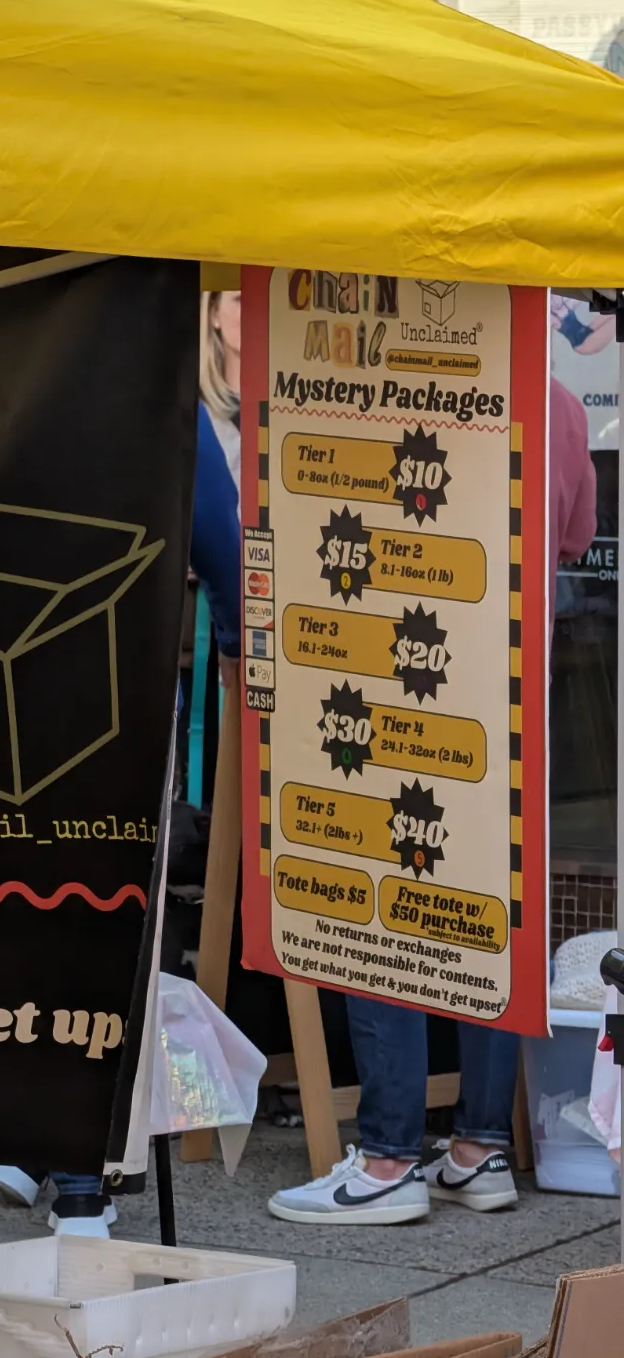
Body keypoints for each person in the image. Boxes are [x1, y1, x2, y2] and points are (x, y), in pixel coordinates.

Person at [268, 376, 598, 1225]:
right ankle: (477, 1149)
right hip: (515, 698)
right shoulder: (551, 395)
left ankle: (384, 1159)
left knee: (376, 916)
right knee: (487, 912)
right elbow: (572, 539)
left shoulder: (379, 392)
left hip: (384, 685)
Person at [0, 402, 242, 1235]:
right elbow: (219, 542)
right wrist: (244, 643)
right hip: (114, 693)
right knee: (108, 922)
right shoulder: (157, 385)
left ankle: (31, 1141)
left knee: (2, 914)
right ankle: (81, 1173)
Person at [200, 289, 241, 488]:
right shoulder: (196, 414)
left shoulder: (292, 409)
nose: (254, 310)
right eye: (241, 299)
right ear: (214, 313)